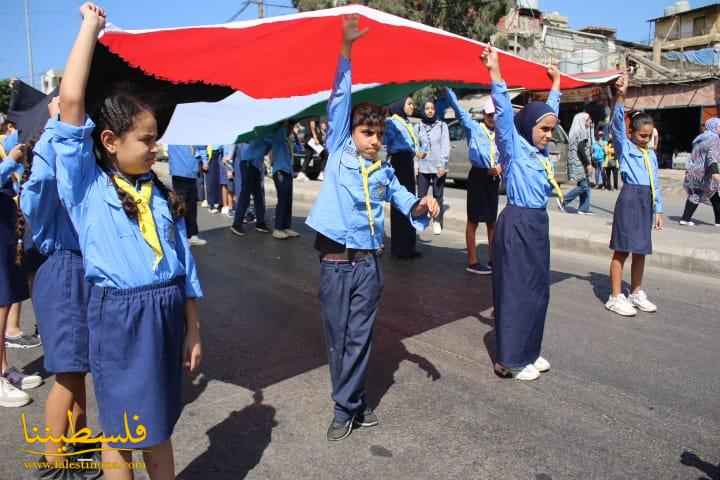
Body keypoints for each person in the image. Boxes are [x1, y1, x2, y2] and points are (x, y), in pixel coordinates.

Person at [53, 4, 202, 477]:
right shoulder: (86, 187)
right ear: (112, 141)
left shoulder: (160, 194)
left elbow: (183, 268)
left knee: (157, 430)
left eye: (156, 138)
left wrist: (192, 327)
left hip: (164, 312)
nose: (155, 147)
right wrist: (89, 30)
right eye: (146, 139)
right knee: (121, 433)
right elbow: (72, 103)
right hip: (120, 316)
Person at [305, 15, 439, 441]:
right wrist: (346, 50)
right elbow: (340, 97)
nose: (374, 140)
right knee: (338, 338)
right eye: (367, 133)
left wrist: (425, 205)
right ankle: (355, 403)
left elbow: (405, 203)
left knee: (359, 338)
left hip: (367, 266)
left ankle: (345, 408)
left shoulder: (383, 172)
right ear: (352, 134)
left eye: (379, 134)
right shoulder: (339, 149)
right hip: (334, 262)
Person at [19, 96, 100, 476]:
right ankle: (53, 462)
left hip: (76, 270)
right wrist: (57, 124)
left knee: (76, 368)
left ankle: (79, 442)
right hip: (65, 270)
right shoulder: (49, 161)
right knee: (67, 374)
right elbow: (37, 189)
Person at [484, 46, 562, 381]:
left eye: (551, 130)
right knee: (516, 290)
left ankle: (529, 351)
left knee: (537, 289)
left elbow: (549, 112)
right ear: (528, 126)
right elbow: (503, 114)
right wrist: (496, 72)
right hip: (516, 223)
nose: (547, 135)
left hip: (537, 223)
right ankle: (509, 361)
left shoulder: (540, 150)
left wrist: (556, 83)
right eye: (542, 129)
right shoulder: (514, 149)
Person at [605, 74, 663, 317]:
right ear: (631, 133)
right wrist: (621, 95)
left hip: (645, 202)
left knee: (641, 250)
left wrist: (658, 209)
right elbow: (617, 123)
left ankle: (636, 292)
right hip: (629, 199)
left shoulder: (650, 154)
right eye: (642, 136)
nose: (646, 140)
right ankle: (615, 296)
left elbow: (656, 182)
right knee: (622, 250)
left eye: (649, 136)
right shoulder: (625, 147)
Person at [444, 91, 501, 274]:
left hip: (493, 178)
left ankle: (493, 259)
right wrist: (447, 88)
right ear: (484, 114)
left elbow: (508, 155)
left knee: (492, 221)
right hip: (478, 175)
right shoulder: (474, 128)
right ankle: (472, 261)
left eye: (495, 115)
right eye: (490, 114)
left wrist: (501, 167)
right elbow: (459, 110)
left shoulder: (501, 133)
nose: (492, 118)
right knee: (473, 220)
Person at [385, 96, 423, 258]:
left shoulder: (407, 122)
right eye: (409, 104)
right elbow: (386, 143)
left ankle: (409, 246)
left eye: (412, 104)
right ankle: (399, 247)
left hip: (408, 162)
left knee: (409, 201)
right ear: (399, 105)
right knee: (399, 203)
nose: (412, 107)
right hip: (399, 162)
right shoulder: (391, 122)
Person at [415, 99, 449, 235]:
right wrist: (415, 165)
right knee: (421, 196)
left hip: (438, 168)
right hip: (423, 167)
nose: (430, 111)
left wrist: (443, 165)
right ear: (423, 110)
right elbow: (415, 147)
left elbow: (445, 147)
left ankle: (437, 221)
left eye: (432, 108)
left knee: (438, 195)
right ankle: (421, 219)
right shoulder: (417, 127)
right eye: (427, 108)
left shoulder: (442, 126)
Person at [679, 117, 720, 227]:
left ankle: (685, 219)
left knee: (696, 194)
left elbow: (693, 156)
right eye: (719, 126)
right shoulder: (715, 138)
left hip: (693, 172)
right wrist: (715, 173)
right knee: (715, 195)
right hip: (706, 173)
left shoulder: (700, 138)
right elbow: (712, 157)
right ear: (714, 127)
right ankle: (718, 221)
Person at [168, 144, 208, 246]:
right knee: (180, 207)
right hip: (179, 172)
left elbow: (201, 146)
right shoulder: (174, 134)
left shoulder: (193, 133)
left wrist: (204, 160)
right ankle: (181, 237)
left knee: (191, 206)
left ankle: (193, 235)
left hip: (192, 173)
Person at [230, 140, 270, 236]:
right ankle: (236, 224)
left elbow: (264, 151)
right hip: (248, 163)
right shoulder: (261, 134)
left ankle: (260, 223)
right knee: (245, 195)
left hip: (256, 165)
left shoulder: (266, 135)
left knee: (258, 195)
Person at [267, 124, 299, 240]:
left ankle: (286, 226)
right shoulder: (278, 134)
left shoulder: (286, 139)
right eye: (289, 126)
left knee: (288, 199)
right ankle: (278, 228)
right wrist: (286, 124)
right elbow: (283, 127)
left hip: (288, 171)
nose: (291, 128)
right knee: (283, 199)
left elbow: (295, 149)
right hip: (280, 171)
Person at [561, 112, 594, 214]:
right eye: (588, 119)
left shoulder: (574, 131)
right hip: (580, 163)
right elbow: (581, 149)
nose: (590, 121)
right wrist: (588, 163)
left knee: (586, 186)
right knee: (584, 186)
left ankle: (583, 208)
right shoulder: (581, 131)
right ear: (582, 120)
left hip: (576, 163)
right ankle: (564, 200)